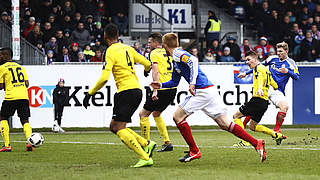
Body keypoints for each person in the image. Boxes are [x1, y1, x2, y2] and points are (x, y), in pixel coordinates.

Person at [151, 33, 267, 163]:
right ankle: (256, 143)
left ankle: (194, 151)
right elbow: (174, 82)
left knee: (177, 117)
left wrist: (192, 82)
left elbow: (194, 60)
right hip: (208, 90)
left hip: (201, 91)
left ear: (165, 46)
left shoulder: (177, 53)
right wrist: (160, 85)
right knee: (225, 124)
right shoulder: (175, 58)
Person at [82, 24, 156, 168]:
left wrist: (90, 93)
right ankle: (146, 143)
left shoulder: (110, 51)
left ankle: (145, 157)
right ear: (117, 35)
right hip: (136, 91)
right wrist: (147, 70)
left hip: (125, 92)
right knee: (114, 126)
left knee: (118, 128)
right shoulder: (128, 48)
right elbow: (147, 63)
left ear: (105, 36)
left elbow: (104, 78)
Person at [238, 42, 300, 137]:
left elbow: (297, 77)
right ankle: (243, 129)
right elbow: (259, 66)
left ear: (286, 51)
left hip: (277, 90)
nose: (278, 53)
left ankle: (276, 131)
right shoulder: (272, 58)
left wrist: (288, 71)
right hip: (266, 87)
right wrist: (246, 73)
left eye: (281, 51)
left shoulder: (291, 63)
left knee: (284, 107)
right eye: (277, 51)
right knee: (256, 106)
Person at [233, 50, 287, 147]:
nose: (247, 62)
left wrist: (260, 88)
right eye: (246, 60)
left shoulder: (258, 68)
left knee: (236, 116)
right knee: (252, 126)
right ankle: (276, 134)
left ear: (255, 59)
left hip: (257, 99)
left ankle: (245, 142)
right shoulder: (265, 69)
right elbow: (273, 83)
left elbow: (260, 78)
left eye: (249, 60)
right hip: (264, 102)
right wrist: (275, 87)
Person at [139, 32, 175, 152]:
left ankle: (146, 144)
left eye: (150, 42)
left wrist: (155, 90)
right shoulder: (169, 51)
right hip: (172, 89)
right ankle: (167, 142)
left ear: (156, 42)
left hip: (161, 88)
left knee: (143, 115)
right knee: (156, 114)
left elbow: (155, 72)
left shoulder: (154, 53)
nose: (148, 45)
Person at [0, 47, 33, 152]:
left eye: (0, 55)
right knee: (25, 120)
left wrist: (6, 84)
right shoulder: (20, 67)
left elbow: (0, 86)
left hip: (11, 97)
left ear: (6, 56)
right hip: (23, 96)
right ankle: (29, 143)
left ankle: (7, 145)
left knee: (3, 118)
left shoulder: (2, 67)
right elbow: (27, 83)